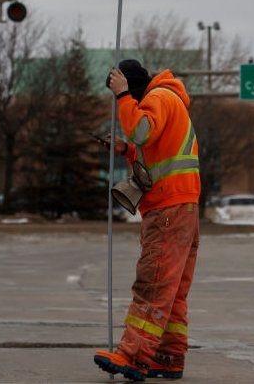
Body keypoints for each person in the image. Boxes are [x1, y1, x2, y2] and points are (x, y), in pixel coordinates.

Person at [93, 59, 201, 382]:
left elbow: (142, 131)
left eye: (124, 94)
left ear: (132, 86)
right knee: (172, 291)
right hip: (182, 207)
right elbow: (151, 147)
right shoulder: (169, 100)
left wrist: (123, 97)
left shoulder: (157, 98)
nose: (123, 105)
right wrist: (124, 148)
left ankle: (133, 356)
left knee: (153, 283)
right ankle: (168, 356)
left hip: (168, 209)